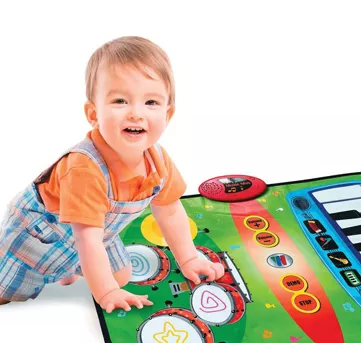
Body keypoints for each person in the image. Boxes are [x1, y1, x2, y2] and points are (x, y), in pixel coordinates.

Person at [0, 36, 224, 312]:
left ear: (168, 114)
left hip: (96, 233)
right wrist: (106, 293)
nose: (136, 114)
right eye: (120, 101)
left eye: (151, 102)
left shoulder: (158, 160)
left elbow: (169, 211)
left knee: (121, 277)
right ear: (93, 113)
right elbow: (86, 239)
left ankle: (71, 268)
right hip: (39, 236)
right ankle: (60, 269)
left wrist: (189, 258)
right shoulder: (84, 168)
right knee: (5, 295)